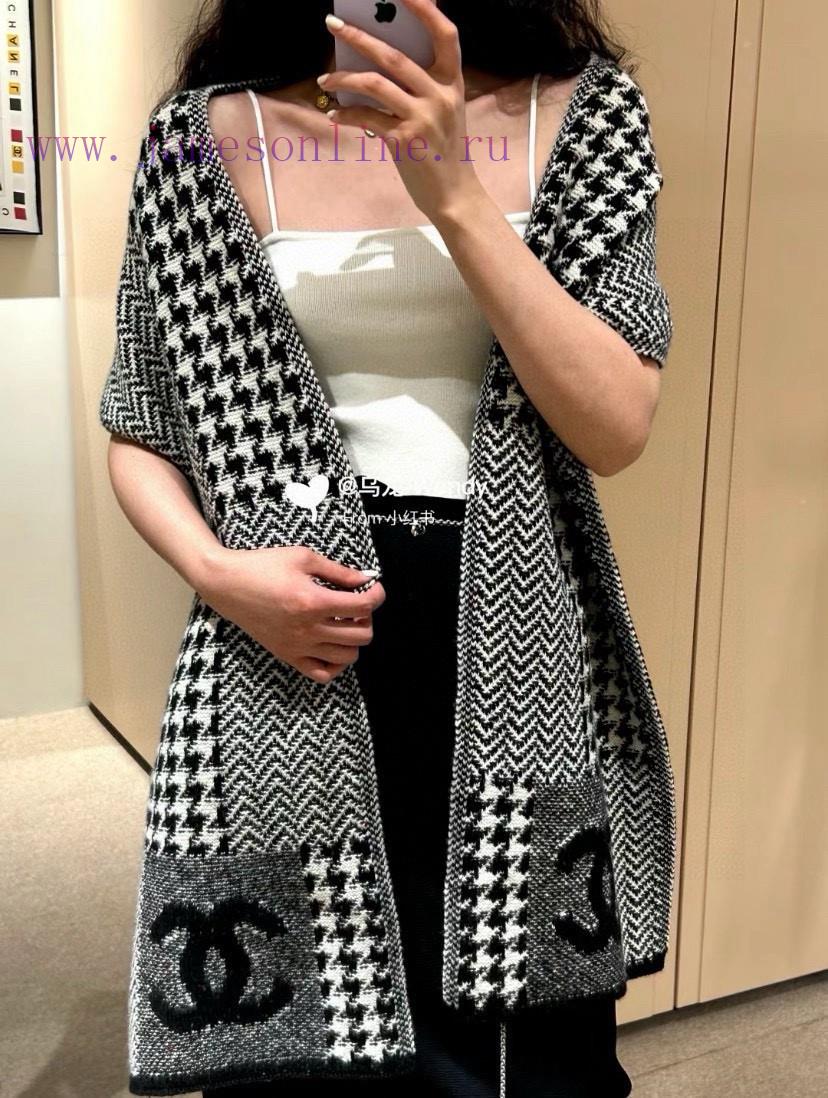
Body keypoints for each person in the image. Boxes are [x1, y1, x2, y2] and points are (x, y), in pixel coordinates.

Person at [104, 2, 674, 1095]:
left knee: (523, 1054)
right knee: (298, 1049)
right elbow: (139, 427)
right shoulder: (199, 136)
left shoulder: (584, 112)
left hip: (514, 650)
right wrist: (221, 575)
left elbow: (616, 425)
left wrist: (452, 190)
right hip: (280, 646)